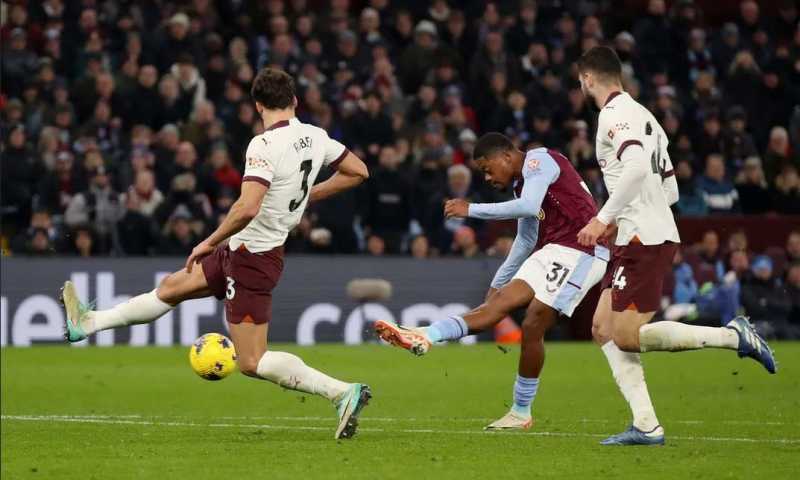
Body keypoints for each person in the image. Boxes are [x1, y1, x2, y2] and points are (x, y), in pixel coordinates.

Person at [59, 68, 372, 440]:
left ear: (258, 106)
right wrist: (305, 198)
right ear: (295, 101)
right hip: (240, 249)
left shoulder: (263, 145)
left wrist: (208, 240)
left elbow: (247, 208)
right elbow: (358, 171)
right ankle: (89, 323)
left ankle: (341, 392)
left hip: (253, 256)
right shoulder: (316, 136)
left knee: (253, 361)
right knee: (173, 287)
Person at [574, 46, 775, 446]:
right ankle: (646, 425)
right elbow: (670, 187)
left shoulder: (612, 116)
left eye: (580, 79)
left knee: (628, 335)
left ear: (589, 79)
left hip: (640, 237)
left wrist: (605, 218)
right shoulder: (646, 116)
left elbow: (633, 169)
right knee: (602, 327)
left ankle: (733, 336)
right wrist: (636, 215)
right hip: (643, 231)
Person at [374, 133, 610, 430]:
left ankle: (521, 411)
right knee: (495, 308)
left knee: (533, 322)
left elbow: (527, 207)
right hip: (552, 250)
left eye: (487, 168)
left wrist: (470, 209)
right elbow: (525, 240)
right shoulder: (521, 184)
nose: (486, 177)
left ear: (507, 157)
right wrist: (498, 284)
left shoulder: (539, 159)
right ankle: (425, 335)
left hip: (583, 250)